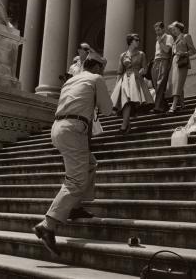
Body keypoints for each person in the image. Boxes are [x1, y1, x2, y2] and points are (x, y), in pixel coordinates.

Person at [32, 52, 113, 257]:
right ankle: (48, 225)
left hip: (58, 128)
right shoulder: (96, 78)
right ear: (97, 68)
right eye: (102, 68)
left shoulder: (72, 80)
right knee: (76, 180)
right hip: (74, 128)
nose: (102, 71)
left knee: (90, 164)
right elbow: (108, 110)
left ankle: (75, 206)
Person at [111, 33, 154, 133]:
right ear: (130, 41)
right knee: (126, 100)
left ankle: (124, 125)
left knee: (128, 101)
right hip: (125, 79)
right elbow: (119, 72)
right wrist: (116, 86)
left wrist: (143, 71)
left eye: (139, 40)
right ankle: (126, 125)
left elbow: (145, 68)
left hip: (137, 80)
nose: (138, 41)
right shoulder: (123, 55)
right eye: (136, 40)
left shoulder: (141, 54)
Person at [167, 21, 196, 114]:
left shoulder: (186, 36)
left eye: (174, 29)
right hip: (175, 62)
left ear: (179, 28)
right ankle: (182, 105)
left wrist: (184, 53)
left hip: (182, 62)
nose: (173, 31)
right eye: (172, 30)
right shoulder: (175, 40)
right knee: (177, 83)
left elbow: (193, 51)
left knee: (178, 83)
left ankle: (173, 106)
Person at [150, 21, 173, 113]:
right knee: (156, 85)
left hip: (164, 61)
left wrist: (160, 42)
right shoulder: (158, 39)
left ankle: (157, 106)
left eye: (159, 29)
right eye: (156, 30)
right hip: (156, 62)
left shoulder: (168, 37)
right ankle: (163, 106)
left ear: (163, 29)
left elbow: (167, 50)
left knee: (160, 84)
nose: (157, 32)